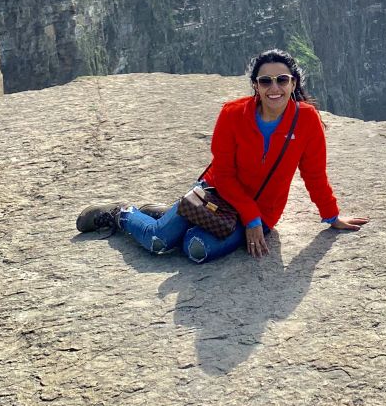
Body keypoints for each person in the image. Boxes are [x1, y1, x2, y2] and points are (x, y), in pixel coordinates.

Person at [76, 49, 368, 263]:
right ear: (255, 85)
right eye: (265, 81)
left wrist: (331, 215)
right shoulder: (232, 115)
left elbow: (314, 175)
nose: (274, 88)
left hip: (264, 211)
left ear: (293, 83)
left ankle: (172, 214)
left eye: (282, 80)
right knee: (157, 241)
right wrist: (249, 218)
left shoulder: (306, 120)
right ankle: (121, 214)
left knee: (195, 250)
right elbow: (224, 175)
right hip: (216, 195)